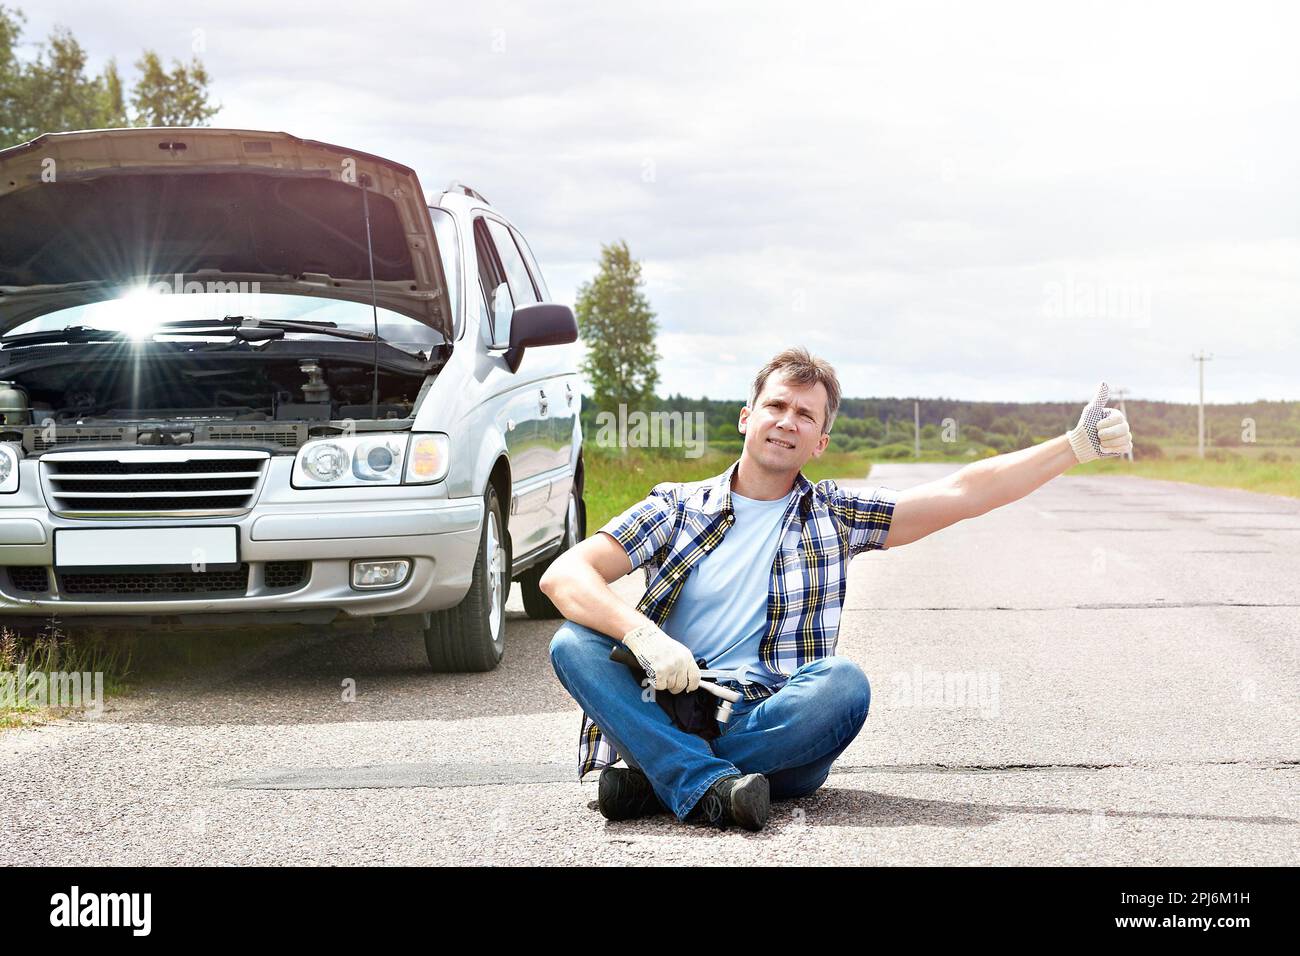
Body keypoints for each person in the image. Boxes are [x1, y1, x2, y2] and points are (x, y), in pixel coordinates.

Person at [541, 347, 1133, 831]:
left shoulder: (834, 513)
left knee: (843, 686)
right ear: (747, 417)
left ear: (820, 441)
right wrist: (643, 635)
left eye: (806, 415)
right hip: (671, 702)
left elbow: (964, 491)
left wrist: (1075, 446)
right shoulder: (675, 507)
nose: (787, 421)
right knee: (574, 643)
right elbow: (564, 575)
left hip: (774, 724)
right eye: (776, 405)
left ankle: (659, 775)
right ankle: (705, 786)